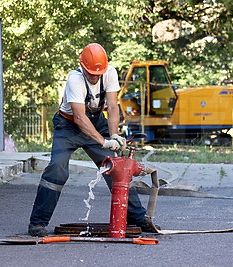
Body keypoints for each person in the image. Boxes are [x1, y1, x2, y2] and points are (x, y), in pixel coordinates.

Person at [28, 43, 157, 236]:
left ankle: (137, 218)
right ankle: (37, 223)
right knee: (57, 169)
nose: (95, 77)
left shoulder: (110, 73)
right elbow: (80, 117)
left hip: (97, 123)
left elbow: (113, 107)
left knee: (118, 168)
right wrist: (103, 142)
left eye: (98, 73)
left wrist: (113, 135)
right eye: (91, 73)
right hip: (69, 126)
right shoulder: (75, 79)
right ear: (82, 66)